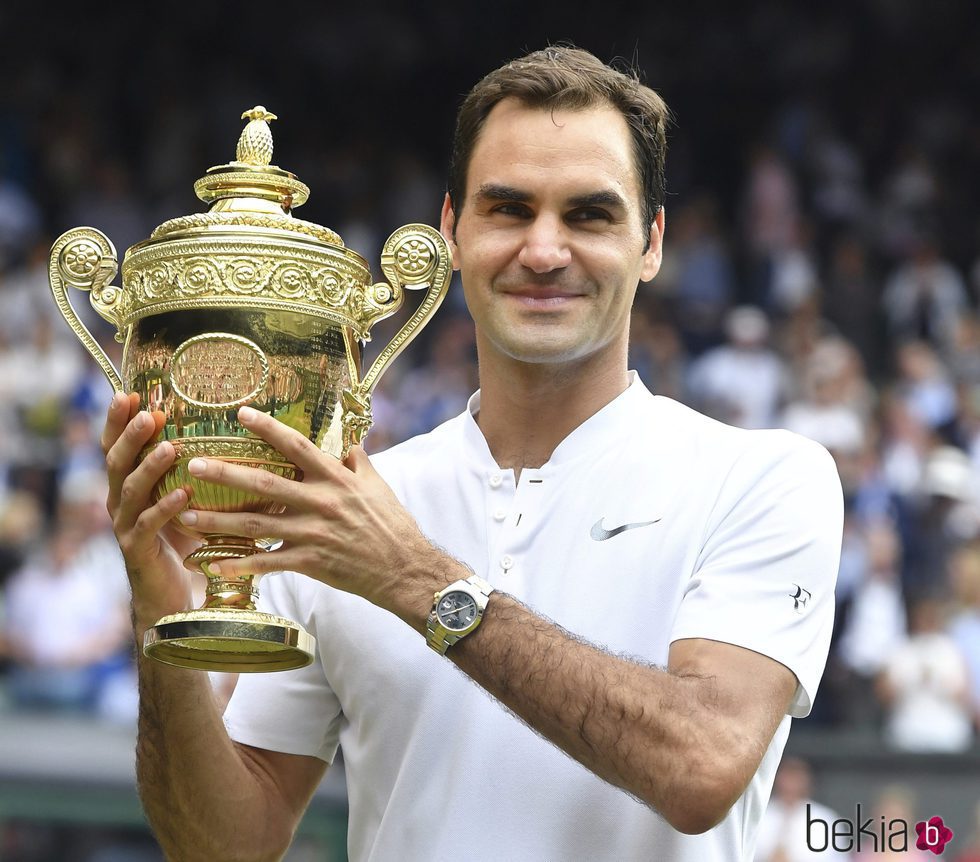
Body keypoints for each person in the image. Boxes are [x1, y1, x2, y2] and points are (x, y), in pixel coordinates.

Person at [101, 47, 843, 862]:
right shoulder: (345, 504)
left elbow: (703, 767)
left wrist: (416, 579)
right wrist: (157, 610)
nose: (545, 250)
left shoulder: (765, 478)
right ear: (451, 231)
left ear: (652, 242)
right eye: (509, 209)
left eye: (590, 215)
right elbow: (224, 847)